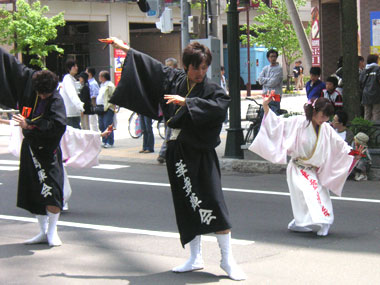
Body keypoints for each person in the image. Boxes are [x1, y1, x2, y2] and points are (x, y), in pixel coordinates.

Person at [109, 37, 246, 281]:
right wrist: (126, 49)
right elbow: (151, 67)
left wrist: (189, 102)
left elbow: (219, 107)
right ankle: (195, 257)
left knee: (214, 201)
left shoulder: (212, 88)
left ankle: (227, 259)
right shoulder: (174, 79)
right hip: (178, 153)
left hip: (200, 153)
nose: (200, 73)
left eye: (204, 68)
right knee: (186, 204)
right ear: (186, 66)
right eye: (196, 68)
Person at [249, 97, 364, 237]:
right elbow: (277, 124)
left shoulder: (326, 128)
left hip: (314, 169)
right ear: (314, 111)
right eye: (323, 115)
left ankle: (317, 222)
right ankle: (305, 222)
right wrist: (266, 106)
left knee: (317, 195)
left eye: (327, 116)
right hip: (298, 166)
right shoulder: (298, 122)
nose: (325, 119)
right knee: (307, 196)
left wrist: (355, 154)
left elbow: (341, 146)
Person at [0, 47, 67, 247]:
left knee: (52, 190)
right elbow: (9, 64)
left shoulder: (56, 99)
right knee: (34, 191)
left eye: (46, 94)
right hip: (29, 149)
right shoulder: (28, 83)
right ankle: (41, 231)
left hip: (48, 151)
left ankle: (53, 231)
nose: (43, 97)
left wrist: (29, 125)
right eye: (41, 93)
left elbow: (57, 126)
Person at [157, 58, 178, 163]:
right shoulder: (165, 78)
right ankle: (168, 153)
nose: (167, 68)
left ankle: (163, 153)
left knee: (169, 133)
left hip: (174, 110)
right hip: (167, 110)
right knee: (168, 133)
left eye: (169, 66)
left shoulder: (178, 77)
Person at [60, 59, 84, 129]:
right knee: (75, 135)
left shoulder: (71, 79)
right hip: (70, 114)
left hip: (72, 112)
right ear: (69, 68)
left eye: (76, 66)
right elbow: (72, 95)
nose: (76, 68)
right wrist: (80, 107)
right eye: (74, 66)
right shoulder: (68, 79)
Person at [258, 49, 283, 114]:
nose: (273, 58)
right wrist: (269, 79)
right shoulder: (265, 68)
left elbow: (273, 83)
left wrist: (265, 80)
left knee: (274, 116)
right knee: (264, 117)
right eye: (271, 56)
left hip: (275, 96)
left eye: (275, 56)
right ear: (268, 58)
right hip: (265, 96)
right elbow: (260, 80)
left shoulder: (279, 69)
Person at [97, 70, 116, 148]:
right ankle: (104, 141)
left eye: (100, 76)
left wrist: (111, 105)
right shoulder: (102, 85)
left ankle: (110, 142)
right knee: (101, 125)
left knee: (107, 124)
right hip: (100, 107)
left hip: (108, 107)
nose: (99, 78)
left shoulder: (110, 85)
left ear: (103, 77)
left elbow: (113, 96)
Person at [359, 54, 380, 121]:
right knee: (376, 112)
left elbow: (360, 81)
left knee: (367, 113)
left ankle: (366, 129)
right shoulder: (378, 69)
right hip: (376, 94)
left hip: (366, 95)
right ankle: (375, 130)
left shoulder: (364, 70)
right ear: (376, 60)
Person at [86, 67, 100, 132]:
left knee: (93, 123)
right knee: (90, 122)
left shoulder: (93, 83)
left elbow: (95, 95)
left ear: (90, 73)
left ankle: (96, 137)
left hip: (92, 106)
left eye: (86, 72)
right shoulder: (88, 82)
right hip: (89, 105)